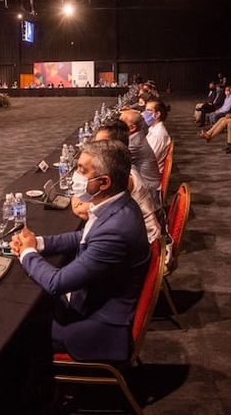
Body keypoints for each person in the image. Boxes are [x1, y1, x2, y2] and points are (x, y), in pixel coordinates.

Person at [10, 139, 150, 362]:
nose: (75, 175)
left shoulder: (116, 229)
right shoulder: (118, 203)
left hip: (98, 327)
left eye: (82, 171)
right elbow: (82, 237)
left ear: (103, 182)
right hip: (95, 300)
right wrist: (38, 243)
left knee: (18, 331)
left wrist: (27, 254)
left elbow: (57, 283)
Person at [118, 109, 162, 192]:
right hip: (149, 184)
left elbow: (115, 163)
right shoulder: (138, 133)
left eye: (121, 123)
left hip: (149, 189)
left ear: (132, 128)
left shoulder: (133, 145)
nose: (117, 125)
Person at [143, 100, 171, 174]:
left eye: (148, 110)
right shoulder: (153, 128)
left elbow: (149, 160)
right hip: (147, 170)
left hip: (149, 175)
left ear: (157, 114)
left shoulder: (158, 135)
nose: (144, 114)